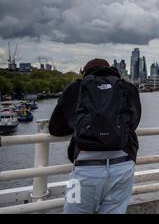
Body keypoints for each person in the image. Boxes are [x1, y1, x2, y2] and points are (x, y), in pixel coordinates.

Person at [49, 58, 141, 214]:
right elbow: (133, 123)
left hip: (86, 169)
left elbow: (56, 128)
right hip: (123, 165)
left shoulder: (77, 87)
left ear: (84, 72)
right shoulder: (127, 88)